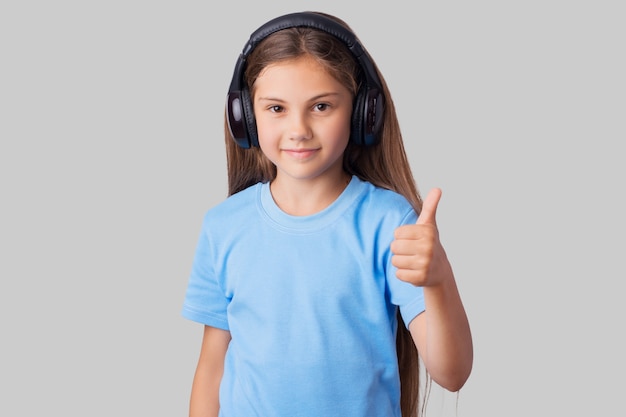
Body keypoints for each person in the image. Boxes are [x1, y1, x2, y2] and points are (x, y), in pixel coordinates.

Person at [181, 11, 473, 417]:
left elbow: (451, 373)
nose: (298, 128)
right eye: (276, 108)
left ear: (362, 114)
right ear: (244, 117)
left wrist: (439, 278)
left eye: (320, 106)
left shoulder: (388, 222)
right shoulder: (223, 226)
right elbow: (212, 369)